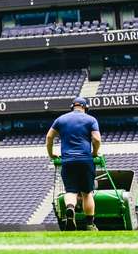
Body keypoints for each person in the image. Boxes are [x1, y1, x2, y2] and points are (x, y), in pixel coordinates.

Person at [45, 96, 104, 231]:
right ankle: (90, 224)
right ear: (85, 107)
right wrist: (94, 152)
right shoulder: (91, 120)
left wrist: (51, 153)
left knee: (70, 191)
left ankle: (70, 209)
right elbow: (96, 139)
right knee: (87, 193)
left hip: (68, 160)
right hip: (85, 159)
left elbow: (49, 137)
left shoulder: (61, 119)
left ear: (72, 107)